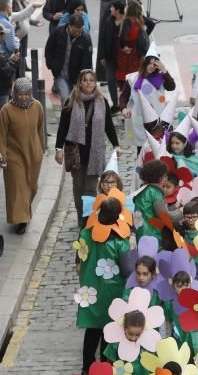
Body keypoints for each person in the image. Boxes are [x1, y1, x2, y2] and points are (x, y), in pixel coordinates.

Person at [54, 70, 119, 226]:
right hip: (76, 152)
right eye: (85, 80)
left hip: (94, 153)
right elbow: (63, 127)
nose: (89, 83)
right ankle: (80, 215)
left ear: (95, 82)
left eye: (91, 80)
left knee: (90, 189)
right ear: (80, 82)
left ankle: (88, 220)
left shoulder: (102, 101)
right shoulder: (70, 101)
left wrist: (116, 144)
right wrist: (58, 149)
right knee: (78, 188)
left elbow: (108, 125)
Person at [0, 77, 44, 235]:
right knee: (18, 188)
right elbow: (1, 135)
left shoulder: (37, 106)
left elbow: (40, 128)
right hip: (14, 156)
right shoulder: (6, 110)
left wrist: (42, 149)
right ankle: (22, 220)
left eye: (26, 94)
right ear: (14, 93)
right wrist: (2, 156)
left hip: (34, 155)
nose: (23, 97)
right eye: (20, 94)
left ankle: (24, 212)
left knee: (31, 187)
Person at [45, 13, 93, 104]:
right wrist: (51, 65)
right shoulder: (57, 32)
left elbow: (87, 61)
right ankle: (66, 117)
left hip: (77, 77)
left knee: (76, 100)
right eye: (75, 31)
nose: (78, 34)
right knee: (65, 97)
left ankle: (74, 117)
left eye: (80, 31)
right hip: (60, 73)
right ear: (69, 26)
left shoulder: (85, 38)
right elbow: (49, 49)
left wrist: (84, 78)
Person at [8, 0, 42, 76]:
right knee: (16, 60)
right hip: (15, 36)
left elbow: (25, 17)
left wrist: (34, 22)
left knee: (22, 57)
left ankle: (20, 81)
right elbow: (16, 16)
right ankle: (17, 82)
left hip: (23, 35)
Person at [115, 0, 149, 87]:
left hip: (127, 52)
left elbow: (123, 37)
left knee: (125, 76)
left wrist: (123, 47)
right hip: (136, 51)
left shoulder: (128, 21)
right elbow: (152, 23)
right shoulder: (139, 19)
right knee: (135, 74)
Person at [100, 0, 125, 113]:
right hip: (110, 57)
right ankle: (115, 104)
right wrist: (102, 56)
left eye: (112, 7)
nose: (110, 9)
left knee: (123, 83)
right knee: (110, 81)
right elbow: (103, 39)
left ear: (118, 10)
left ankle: (124, 104)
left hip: (123, 59)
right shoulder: (108, 21)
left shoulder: (127, 22)